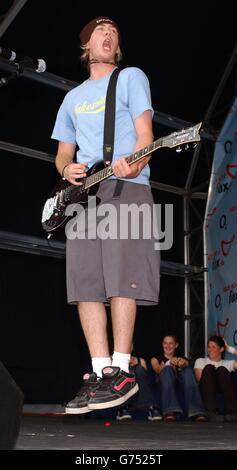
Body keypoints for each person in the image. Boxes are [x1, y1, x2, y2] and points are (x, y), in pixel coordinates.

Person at [51, 16, 160, 414]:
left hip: (126, 185)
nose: (109, 35)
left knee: (122, 274)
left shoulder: (131, 77)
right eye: (100, 31)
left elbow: (145, 134)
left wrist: (137, 159)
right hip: (83, 194)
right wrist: (66, 170)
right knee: (84, 283)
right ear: (86, 45)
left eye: (114, 31)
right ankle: (100, 373)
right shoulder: (72, 98)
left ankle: (121, 367)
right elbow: (64, 152)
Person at [151, 334, 206, 421]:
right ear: (162, 344)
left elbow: (188, 364)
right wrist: (169, 363)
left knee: (187, 370)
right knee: (168, 369)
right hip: (164, 384)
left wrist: (184, 364)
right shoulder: (155, 359)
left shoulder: (181, 358)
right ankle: (170, 411)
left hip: (181, 384)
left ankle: (196, 411)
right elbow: (157, 369)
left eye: (171, 343)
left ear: (176, 345)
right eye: (165, 343)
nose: (167, 346)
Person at [194, 335, 237, 422]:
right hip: (205, 387)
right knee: (209, 368)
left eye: (213, 347)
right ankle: (211, 412)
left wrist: (231, 350)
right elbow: (200, 380)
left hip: (221, 387)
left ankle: (234, 412)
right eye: (209, 347)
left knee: (222, 370)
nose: (210, 349)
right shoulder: (200, 361)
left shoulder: (227, 363)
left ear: (221, 349)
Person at [116, 354, 162, 421]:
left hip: (138, 389)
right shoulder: (113, 359)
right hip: (122, 389)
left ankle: (150, 408)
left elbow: (145, 380)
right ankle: (123, 407)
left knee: (139, 369)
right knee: (125, 371)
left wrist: (136, 365)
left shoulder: (140, 360)